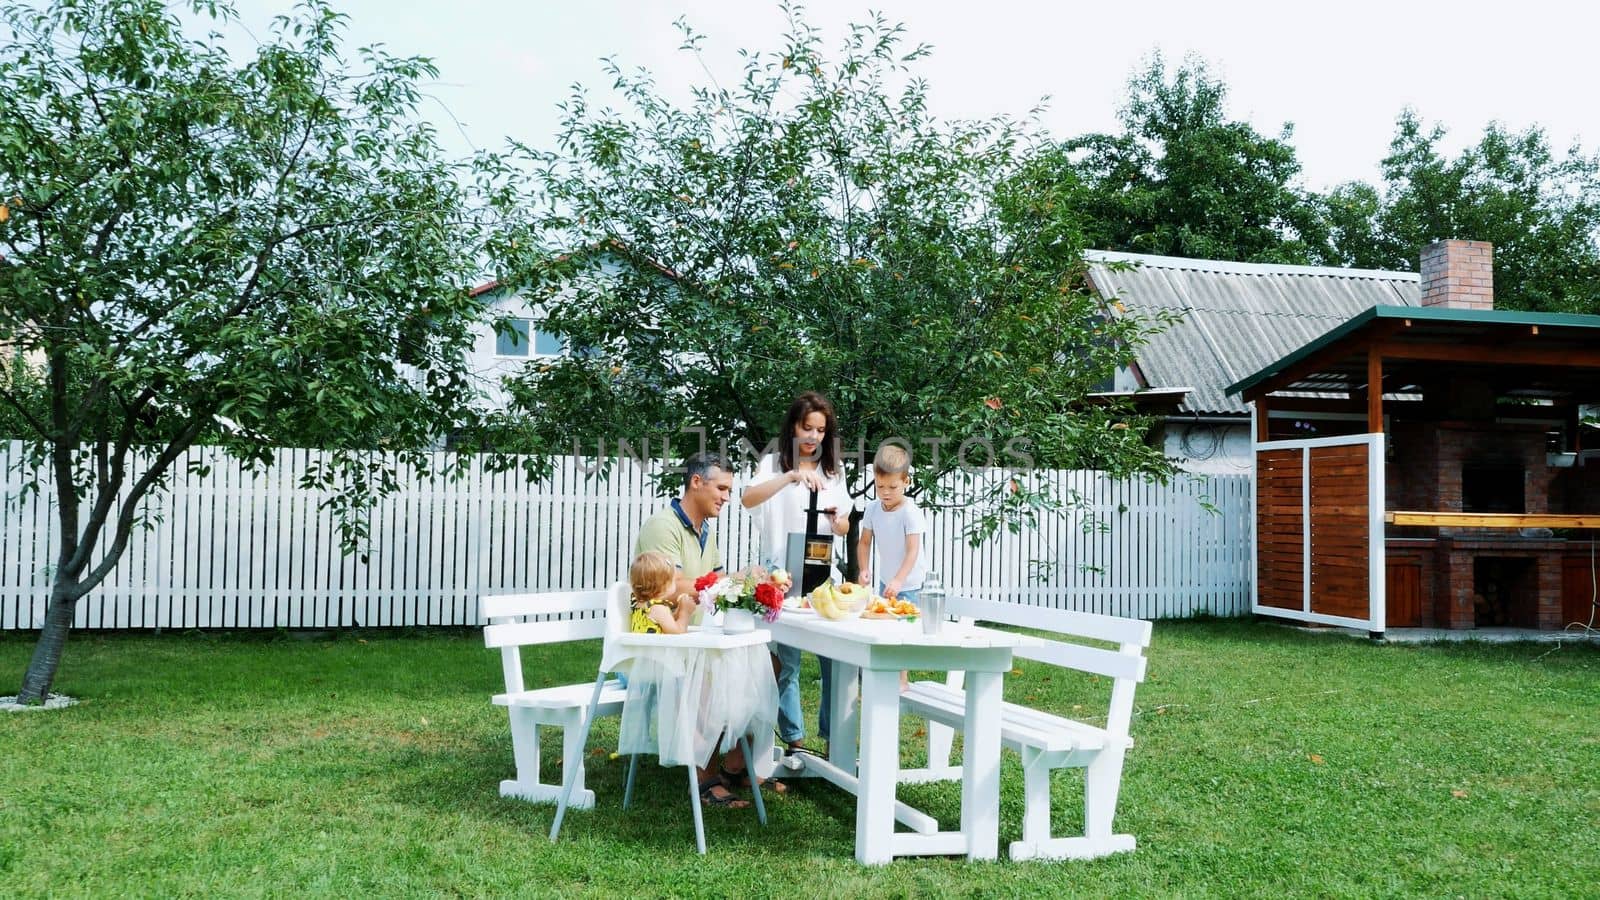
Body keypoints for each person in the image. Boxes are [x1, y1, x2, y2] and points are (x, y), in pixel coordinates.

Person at [632, 451, 761, 807]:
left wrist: (750, 587)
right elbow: (670, 587)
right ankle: (704, 778)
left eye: (729, 490)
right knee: (713, 677)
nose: (726, 497)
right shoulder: (664, 525)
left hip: (696, 638)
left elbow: (714, 585)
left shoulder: (706, 530)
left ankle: (733, 768)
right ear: (696, 482)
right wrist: (728, 580)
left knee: (768, 666)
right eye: (721, 488)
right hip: (662, 642)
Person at [741, 391, 852, 756]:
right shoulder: (774, 463)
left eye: (820, 431)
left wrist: (839, 521)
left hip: (821, 569)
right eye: (807, 428)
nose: (813, 437)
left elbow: (845, 527)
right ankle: (795, 742)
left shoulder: (832, 470)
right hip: (780, 571)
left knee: (834, 659)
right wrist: (790, 477)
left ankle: (835, 737)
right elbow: (748, 499)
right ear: (793, 426)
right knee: (786, 661)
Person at [857, 443, 927, 691]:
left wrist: (899, 580)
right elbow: (864, 543)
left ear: (906, 481)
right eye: (880, 486)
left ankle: (902, 680)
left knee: (903, 632)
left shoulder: (911, 513)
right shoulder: (873, 509)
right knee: (886, 627)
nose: (885, 493)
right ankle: (884, 676)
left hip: (909, 582)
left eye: (892, 487)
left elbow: (912, 551)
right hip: (888, 580)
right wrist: (864, 569)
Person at [627, 551, 696, 634]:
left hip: (644, 646)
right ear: (663, 585)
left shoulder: (643, 605)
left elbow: (666, 623)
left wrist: (679, 611)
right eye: (673, 580)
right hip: (655, 647)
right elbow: (677, 633)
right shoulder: (659, 608)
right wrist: (685, 612)